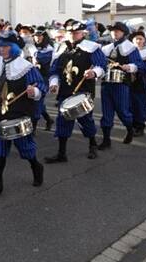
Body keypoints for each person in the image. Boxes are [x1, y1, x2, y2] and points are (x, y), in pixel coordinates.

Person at [0, 30, 46, 198]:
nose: (2, 49)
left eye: (6, 46)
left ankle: (36, 166)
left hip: (20, 114)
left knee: (25, 148)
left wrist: (34, 90)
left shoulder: (26, 67)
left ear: (14, 48)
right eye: (1, 46)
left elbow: (41, 86)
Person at [46, 20, 107, 163]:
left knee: (85, 119)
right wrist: (54, 83)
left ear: (83, 33)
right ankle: (62, 153)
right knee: (63, 120)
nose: (73, 35)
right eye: (71, 33)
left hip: (84, 90)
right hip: (66, 90)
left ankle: (92, 145)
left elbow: (102, 65)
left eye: (76, 33)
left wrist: (94, 72)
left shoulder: (92, 47)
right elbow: (54, 69)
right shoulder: (61, 49)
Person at [98, 22, 143, 149]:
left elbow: (139, 65)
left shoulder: (131, 48)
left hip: (122, 84)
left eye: (117, 31)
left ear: (124, 32)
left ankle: (130, 130)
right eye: (112, 31)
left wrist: (129, 66)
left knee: (123, 112)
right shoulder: (107, 47)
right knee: (106, 113)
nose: (114, 33)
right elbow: (101, 63)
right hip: (106, 83)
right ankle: (106, 140)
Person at [129, 31, 146, 136]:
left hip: (140, 83)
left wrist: (137, 69)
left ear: (144, 41)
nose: (138, 41)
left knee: (140, 105)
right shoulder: (128, 52)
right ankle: (132, 125)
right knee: (130, 105)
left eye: (140, 39)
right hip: (129, 83)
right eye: (136, 39)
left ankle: (140, 127)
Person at [33, 26, 54, 131]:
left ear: (44, 36)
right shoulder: (34, 48)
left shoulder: (49, 50)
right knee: (37, 102)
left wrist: (32, 58)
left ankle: (34, 128)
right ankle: (48, 119)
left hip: (44, 79)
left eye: (39, 36)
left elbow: (41, 61)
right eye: (36, 36)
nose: (37, 38)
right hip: (33, 79)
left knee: (37, 102)